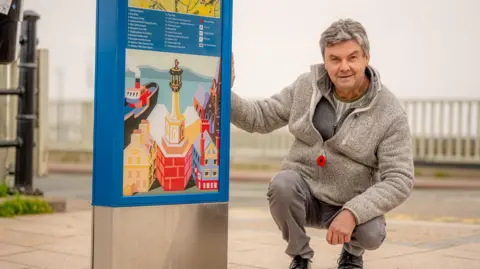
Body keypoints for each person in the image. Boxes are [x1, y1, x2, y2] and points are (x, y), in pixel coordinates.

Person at [230, 18, 414, 269]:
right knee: (282, 184)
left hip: (350, 201)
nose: (344, 67)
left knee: (372, 231)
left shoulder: (390, 112)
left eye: (352, 57)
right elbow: (259, 118)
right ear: (325, 61)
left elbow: (400, 179)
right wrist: (223, 92)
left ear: (366, 58)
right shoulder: (306, 86)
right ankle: (300, 256)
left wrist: (353, 212)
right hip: (305, 194)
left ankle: (351, 254)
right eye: (335, 59)